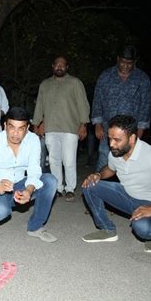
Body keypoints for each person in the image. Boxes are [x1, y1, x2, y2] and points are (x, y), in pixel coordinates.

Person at [81, 115, 151, 253]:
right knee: (89, 184)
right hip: (129, 196)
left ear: (132, 138)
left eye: (117, 140)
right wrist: (98, 174)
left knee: (142, 229)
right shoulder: (116, 152)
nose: (111, 144)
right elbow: (110, 169)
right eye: (110, 138)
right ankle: (107, 229)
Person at [0, 107, 58, 242]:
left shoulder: (33, 140)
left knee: (50, 180)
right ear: (5, 126)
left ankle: (35, 227)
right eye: (12, 127)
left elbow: (34, 169)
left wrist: (28, 190)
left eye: (21, 128)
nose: (15, 133)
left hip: (19, 184)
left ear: (27, 129)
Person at [32, 56, 90, 201]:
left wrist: (83, 125)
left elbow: (83, 104)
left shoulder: (75, 83)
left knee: (69, 160)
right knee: (53, 160)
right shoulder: (45, 84)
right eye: (57, 64)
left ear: (67, 67)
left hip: (70, 127)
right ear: (52, 66)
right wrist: (36, 124)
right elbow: (39, 105)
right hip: (51, 127)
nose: (59, 67)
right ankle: (58, 188)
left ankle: (70, 188)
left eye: (62, 65)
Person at [91, 45, 151, 172]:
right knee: (104, 155)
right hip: (108, 127)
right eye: (123, 62)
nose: (126, 66)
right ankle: (98, 187)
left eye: (129, 63)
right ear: (118, 59)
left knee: (129, 161)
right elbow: (97, 100)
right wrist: (97, 124)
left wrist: (140, 129)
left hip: (131, 130)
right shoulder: (106, 76)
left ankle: (125, 189)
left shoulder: (142, 78)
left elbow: (146, 105)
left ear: (135, 62)